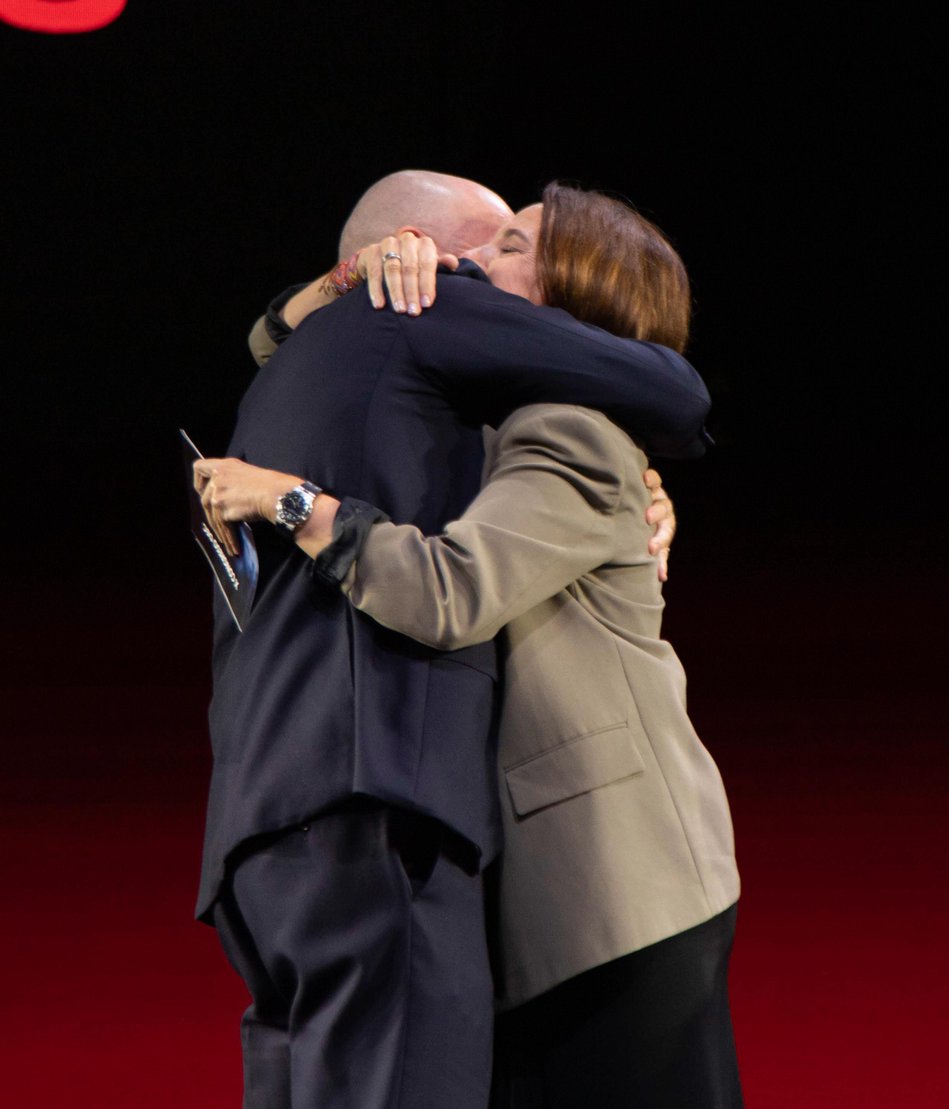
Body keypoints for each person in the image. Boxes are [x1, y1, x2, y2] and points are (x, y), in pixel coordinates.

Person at [197, 183, 741, 1109]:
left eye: (508, 248)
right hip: (540, 899)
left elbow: (450, 590)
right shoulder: (481, 421)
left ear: (571, 298)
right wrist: (338, 284)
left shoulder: (570, 429)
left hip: (616, 890)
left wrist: (290, 501)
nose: (466, 266)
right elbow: (298, 351)